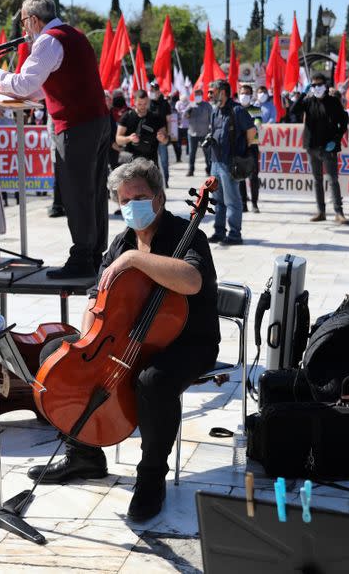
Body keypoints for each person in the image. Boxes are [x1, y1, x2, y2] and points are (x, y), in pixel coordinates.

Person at [27, 158, 219, 524]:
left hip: (188, 342)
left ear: (159, 198)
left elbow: (192, 281)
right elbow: (94, 295)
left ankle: (151, 477)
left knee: (153, 381)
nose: (132, 206)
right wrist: (88, 340)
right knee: (57, 353)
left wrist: (135, 259)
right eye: (124, 200)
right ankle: (83, 454)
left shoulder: (185, 234)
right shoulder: (121, 241)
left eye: (140, 197)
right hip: (128, 338)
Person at [0, 0, 110, 279]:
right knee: (93, 191)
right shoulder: (74, 35)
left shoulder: (47, 41)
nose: (23, 31)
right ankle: (94, 253)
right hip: (96, 121)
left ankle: (81, 259)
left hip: (77, 125)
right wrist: (9, 88)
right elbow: (44, 86)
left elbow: (26, 83)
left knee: (77, 193)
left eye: (24, 23)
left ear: (34, 19)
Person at [290, 73, 349, 224]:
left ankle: (338, 212)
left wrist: (336, 140)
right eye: (314, 85)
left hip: (328, 148)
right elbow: (293, 110)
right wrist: (303, 93)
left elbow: (343, 123)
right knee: (317, 180)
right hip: (312, 146)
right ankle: (321, 211)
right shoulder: (308, 101)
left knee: (332, 180)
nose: (317, 88)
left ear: (326, 86)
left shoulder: (334, 102)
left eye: (319, 85)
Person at [206, 79, 256, 245]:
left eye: (213, 91)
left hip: (230, 163)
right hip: (215, 162)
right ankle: (219, 232)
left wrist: (247, 151)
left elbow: (251, 131)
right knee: (218, 199)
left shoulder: (238, 111)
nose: (210, 94)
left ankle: (235, 235)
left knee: (232, 200)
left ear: (223, 92)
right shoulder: (215, 111)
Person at [115, 89, 169, 164]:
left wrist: (162, 138)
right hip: (131, 161)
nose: (143, 106)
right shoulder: (127, 116)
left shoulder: (156, 117)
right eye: (140, 104)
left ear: (148, 101)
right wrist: (129, 138)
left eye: (145, 104)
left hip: (150, 162)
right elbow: (118, 140)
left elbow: (166, 140)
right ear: (134, 102)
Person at [237, 84, 261, 213]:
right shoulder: (236, 109)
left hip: (252, 146)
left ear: (251, 96)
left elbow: (257, 124)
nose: (244, 96)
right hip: (240, 147)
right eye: (242, 93)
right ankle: (243, 204)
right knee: (240, 177)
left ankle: (255, 204)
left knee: (253, 176)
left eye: (247, 93)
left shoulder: (256, 110)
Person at [185, 89, 212, 177]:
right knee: (192, 153)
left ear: (202, 95)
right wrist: (188, 111)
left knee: (207, 152)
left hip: (204, 133)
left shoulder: (207, 105)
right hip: (192, 133)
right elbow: (185, 117)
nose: (197, 96)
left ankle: (208, 169)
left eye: (199, 94)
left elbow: (212, 117)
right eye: (196, 94)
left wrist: (211, 129)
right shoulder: (190, 105)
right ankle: (191, 170)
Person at [149, 82, 172, 186]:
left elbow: (169, 120)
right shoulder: (148, 103)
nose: (153, 92)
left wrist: (169, 134)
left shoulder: (165, 103)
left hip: (162, 136)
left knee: (164, 160)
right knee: (151, 161)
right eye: (151, 90)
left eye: (155, 90)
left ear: (159, 91)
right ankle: (154, 182)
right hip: (150, 136)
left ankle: (165, 181)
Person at [174, 92, 189, 164]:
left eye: (185, 100)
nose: (184, 101)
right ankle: (178, 157)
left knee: (188, 142)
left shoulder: (189, 103)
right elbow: (176, 111)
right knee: (178, 143)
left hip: (187, 126)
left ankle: (188, 154)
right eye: (183, 100)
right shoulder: (178, 103)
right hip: (179, 126)